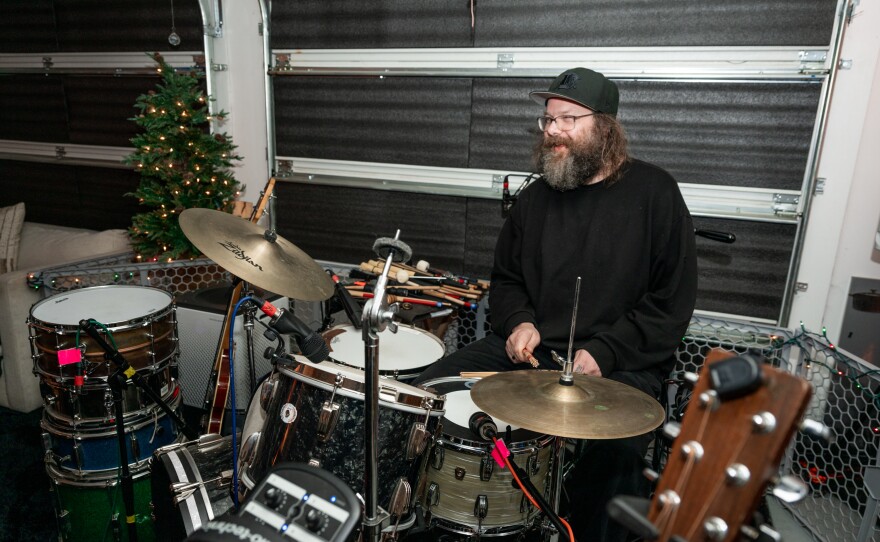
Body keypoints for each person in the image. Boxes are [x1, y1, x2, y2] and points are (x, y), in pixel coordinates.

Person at [412, 67, 698, 541]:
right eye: (548, 121)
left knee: (617, 454)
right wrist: (520, 322)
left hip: (621, 364)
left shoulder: (656, 193)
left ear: (605, 127)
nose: (553, 132)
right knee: (431, 391)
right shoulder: (536, 198)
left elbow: (671, 302)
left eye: (568, 120)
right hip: (533, 354)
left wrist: (606, 352)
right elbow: (506, 281)